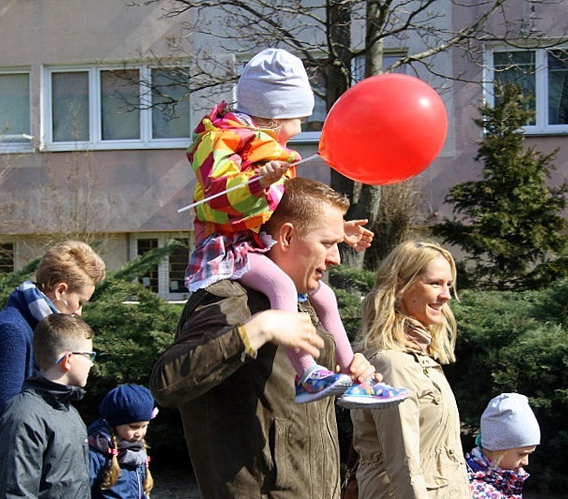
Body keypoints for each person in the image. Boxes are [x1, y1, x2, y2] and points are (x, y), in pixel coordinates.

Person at [185, 47, 405, 407]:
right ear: (274, 116)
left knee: (327, 297)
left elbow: (287, 210)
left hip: (263, 240)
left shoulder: (272, 150)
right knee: (281, 286)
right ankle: (307, 375)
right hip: (231, 245)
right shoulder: (221, 139)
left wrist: (336, 228)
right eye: (296, 120)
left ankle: (352, 374)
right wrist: (256, 184)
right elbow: (219, 194)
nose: (300, 128)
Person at [151, 177, 390, 498]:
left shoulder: (304, 305)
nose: (335, 258)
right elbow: (166, 384)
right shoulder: (232, 300)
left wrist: (349, 369)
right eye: (327, 243)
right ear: (287, 236)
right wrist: (257, 330)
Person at [350, 240, 472, 498]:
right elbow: (402, 462)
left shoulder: (421, 359)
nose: (446, 295)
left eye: (448, 285)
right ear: (399, 285)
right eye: (435, 283)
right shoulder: (391, 363)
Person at [0, 240, 106, 458]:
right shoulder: (11, 330)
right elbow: (9, 419)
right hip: (13, 465)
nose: (80, 312)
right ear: (60, 290)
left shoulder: (35, 326)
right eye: (80, 302)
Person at [0, 313, 96, 498]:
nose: (92, 364)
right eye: (89, 356)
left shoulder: (70, 412)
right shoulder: (24, 416)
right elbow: (16, 493)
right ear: (69, 359)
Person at [88, 384, 158, 499]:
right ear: (115, 424)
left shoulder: (137, 450)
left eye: (144, 426)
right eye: (133, 427)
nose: (139, 433)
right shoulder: (96, 453)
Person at [465, 393, 541, 499]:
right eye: (521, 454)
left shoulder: (504, 478)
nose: (526, 462)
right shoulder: (470, 488)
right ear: (498, 448)